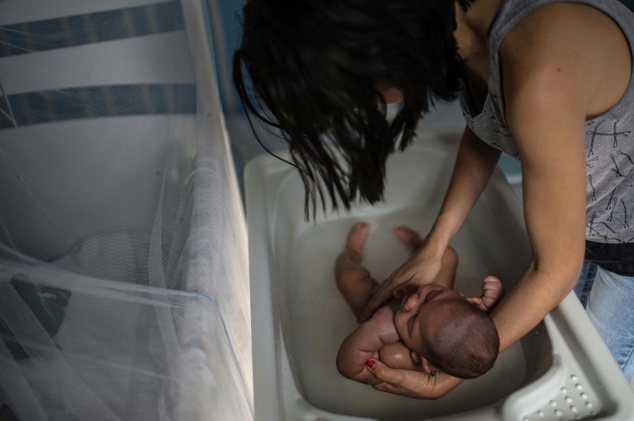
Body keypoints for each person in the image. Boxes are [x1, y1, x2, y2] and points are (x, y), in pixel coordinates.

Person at [233, 0, 634, 398]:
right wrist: (435, 245)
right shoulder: (466, 32)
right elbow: (489, 128)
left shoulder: (541, 72)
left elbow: (554, 268)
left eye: (349, 95)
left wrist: (452, 372)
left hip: (626, 241)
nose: (361, 108)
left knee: (599, 366)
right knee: (566, 326)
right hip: (589, 224)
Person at [335, 222, 503, 384]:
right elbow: (474, 330)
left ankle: (352, 252)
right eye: (430, 297)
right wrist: (488, 307)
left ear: (422, 359)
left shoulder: (396, 357)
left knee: (348, 277)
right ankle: (419, 247)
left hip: (373, 310)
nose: (411, 301)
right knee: (445, 253)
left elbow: (350, 369)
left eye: (412, 321)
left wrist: (375, 329)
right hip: (447, 299)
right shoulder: (461, 325)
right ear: (464, 298)